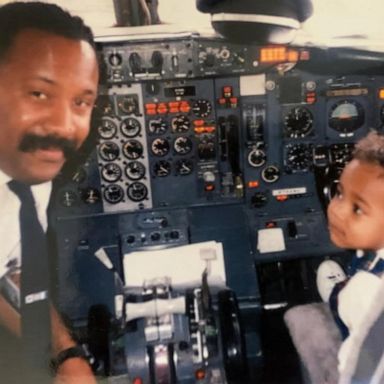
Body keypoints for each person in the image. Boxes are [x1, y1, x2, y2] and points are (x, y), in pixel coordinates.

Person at [0, 2, 99, 383]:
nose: (64, 125)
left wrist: (66, 356)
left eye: (81, 102)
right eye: (39, 94)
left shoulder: (29, 171)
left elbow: (11, 271)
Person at [316, 130, 384, 376]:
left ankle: (336, 293)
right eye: (340, 192)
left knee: (343, 302)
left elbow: (356, 372)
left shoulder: (368, 291)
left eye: (357, 209)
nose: (336, 210)